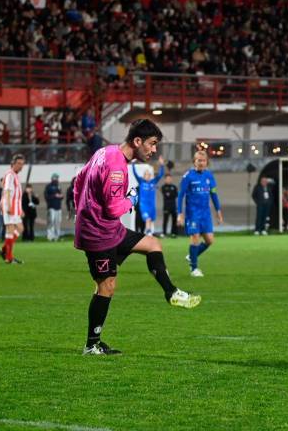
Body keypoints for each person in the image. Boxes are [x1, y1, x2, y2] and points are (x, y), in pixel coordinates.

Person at [73, 118, 201, 356]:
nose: (154, 150)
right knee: (106, 286)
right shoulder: (116, 167)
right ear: (137, 141)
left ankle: (171, 292)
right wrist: (131, 199)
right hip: (98, 233)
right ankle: (91, 345)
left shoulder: (105, 151)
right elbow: (114, 209)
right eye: (152, 144)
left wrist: (80, 208)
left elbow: (79, 179)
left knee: (152, 243)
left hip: (110, 229)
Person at [177, 150, 224, 277]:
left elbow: (214, 194)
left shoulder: (209, 176)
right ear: (194, 162)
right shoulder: (188, 176)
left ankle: (192, 256)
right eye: (199, 160)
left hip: (206, 214)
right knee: (195, 239)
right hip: (193, 213)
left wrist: (218, 211)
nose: (201, 163)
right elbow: (180, 196)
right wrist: (179, 213)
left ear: (206, 162)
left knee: (210, 240)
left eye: (203, 160)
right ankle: (194, 269)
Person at [0, 154, 25, 264]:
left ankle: (4, 249)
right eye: (18, 163)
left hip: (15, 206)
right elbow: (7, 191)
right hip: (9, 205)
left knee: (20, 228)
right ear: (13, 163)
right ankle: (9, 258)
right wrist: (9, 206)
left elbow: (16, 193)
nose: (20, 166)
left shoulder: (15, 175)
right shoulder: (10, 174)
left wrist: (20, 209)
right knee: (10, 230)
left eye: (22, 164)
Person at [131, 157, 165, 236]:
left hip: (151, 205)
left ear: (150, 176)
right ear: (144, 176)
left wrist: (162, 165)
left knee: (150, 219)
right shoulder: (141, 181)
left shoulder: (153, 182)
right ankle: (148, 232)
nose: (147, 176)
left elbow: (160, 175)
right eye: (146, 174)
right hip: (144, 205)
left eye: (148, 174)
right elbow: (135, 173)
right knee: (147, 218)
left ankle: (148, 232)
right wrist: (133, 164)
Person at [45, 173, 64, 241]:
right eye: (56, 178)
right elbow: (46, 197)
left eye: (57, 178)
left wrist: (61, 196)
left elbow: (61, 196)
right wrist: (54, 196)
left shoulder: (58, 186)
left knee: (57, 222)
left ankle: (57, 236)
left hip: (58, 207)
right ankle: (50, 236)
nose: (57, 179)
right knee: (51, 222)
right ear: (53, 178)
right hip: (51, 207)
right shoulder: (48, 186)